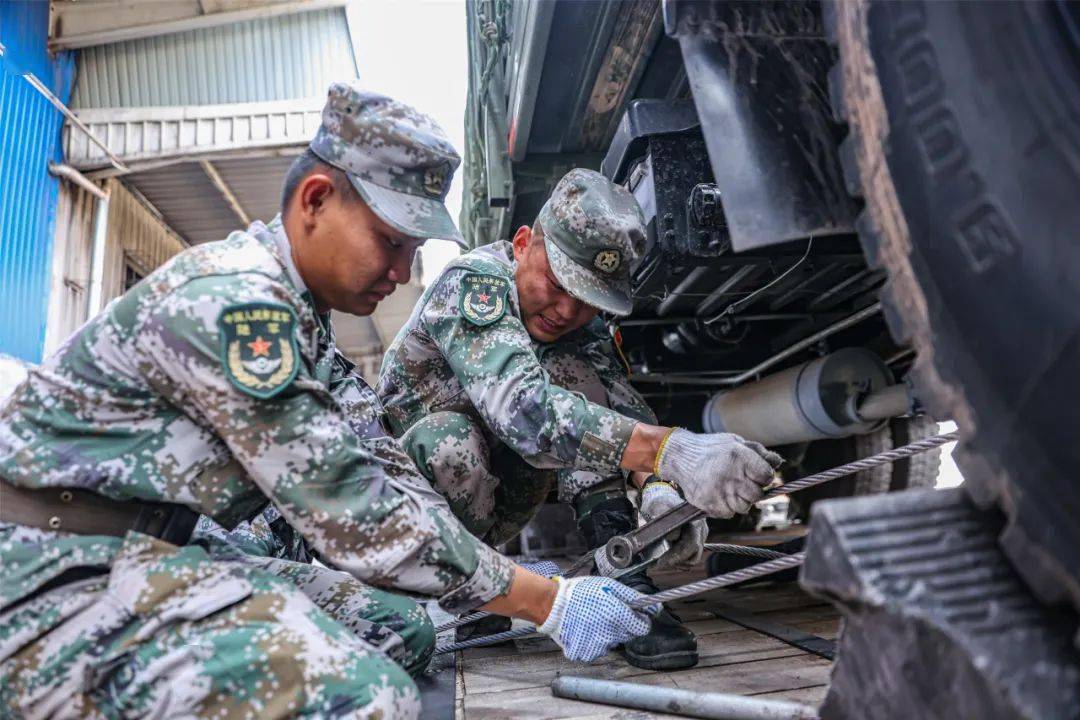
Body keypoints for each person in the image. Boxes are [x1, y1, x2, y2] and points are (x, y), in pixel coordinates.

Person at [0, 85, 660, 719]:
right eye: (391, 242)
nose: (403, 273)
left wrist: (497, 573)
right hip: (49, 575)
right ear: (316, 200)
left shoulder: (303, 320)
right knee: (367, 696)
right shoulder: (236, 303)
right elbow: (360, 514)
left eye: (414, 250)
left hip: (158, 553)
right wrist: (546, 601)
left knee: (408, 633)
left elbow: (382, 459)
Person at [377, 168, 784, 670]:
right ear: (523, 243)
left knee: (584, 400)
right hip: (401, 506)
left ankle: (622, 569)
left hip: (496, 490)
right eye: (556, 282)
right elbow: (524, 413)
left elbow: (618, 408)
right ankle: (467, 588)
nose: (566, 309)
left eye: (587, 299)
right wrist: (672, 451)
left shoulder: (574, 325)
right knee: (454, 441)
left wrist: (657, 489)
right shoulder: (475, 284)